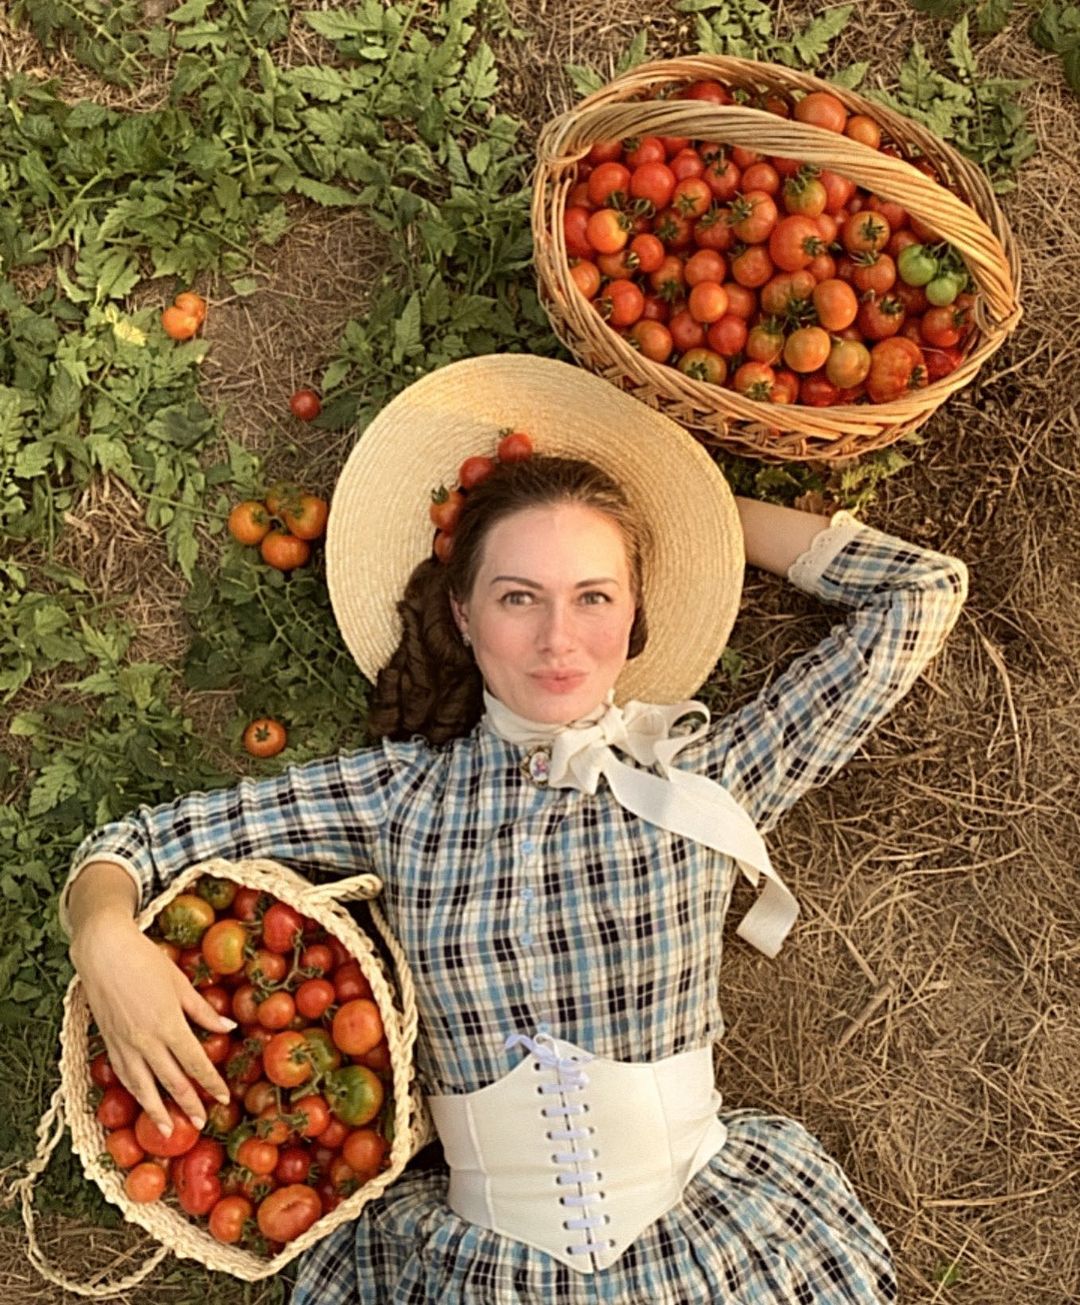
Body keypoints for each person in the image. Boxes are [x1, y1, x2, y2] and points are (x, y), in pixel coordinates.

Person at [62, 355, 968, 1302]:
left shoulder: (703, 779)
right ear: (464, 615)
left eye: (594, 595)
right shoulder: (398, 794)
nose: (557, 638)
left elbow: (919, 594)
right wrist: (103, 935)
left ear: (635, 612)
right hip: (485, 1269)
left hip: (706, 1247)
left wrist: (706, 510)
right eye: (517, 596)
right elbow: (138, 845)